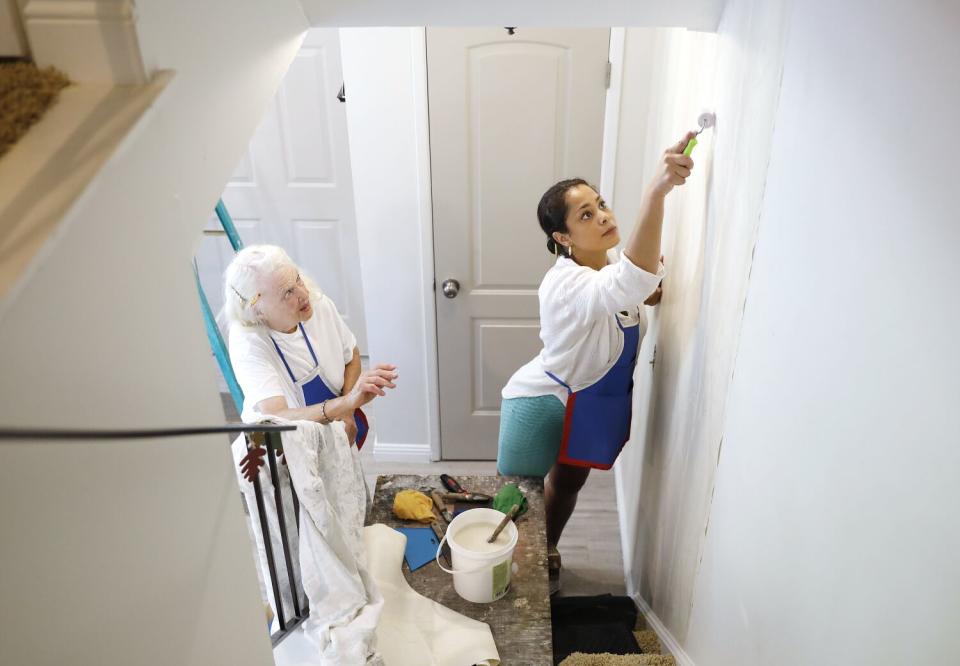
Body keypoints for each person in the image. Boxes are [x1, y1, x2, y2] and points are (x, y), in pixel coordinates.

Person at [497, 132, 696, 586]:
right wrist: (657, 191)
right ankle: (502, 578)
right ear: (563, 236)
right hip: (541, 405)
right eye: (586, 214)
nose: (604, 215)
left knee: (566, 487)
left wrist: (651, 287)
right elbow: (628, 282)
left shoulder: (605, 270)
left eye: (601, 204)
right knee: (513, 502)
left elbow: (634, 286)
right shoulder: (564, 284)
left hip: (587, 403)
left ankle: (546, 547)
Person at [223, 244, 398, 442]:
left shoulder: (317, 304)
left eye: (297, 279)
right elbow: (276, 416)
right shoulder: (248, 343)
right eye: (288, 293)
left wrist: (347, 410)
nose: (304, 294)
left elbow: (351, 355)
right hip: (285, 448)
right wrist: (347, 402)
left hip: (337, 432)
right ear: (258, 312)